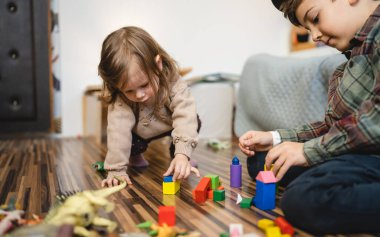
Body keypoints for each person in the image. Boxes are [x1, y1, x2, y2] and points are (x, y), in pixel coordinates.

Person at [239, 0, 380, 234]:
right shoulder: (349, 64)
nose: (314, 35)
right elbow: (333, 127)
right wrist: (275, 138)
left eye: (315, 18)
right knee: (262, 160)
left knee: (304, 199)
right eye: (308, 28)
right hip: (357, 153)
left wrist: (308, 152)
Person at [98, 26, 200, 188]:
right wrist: (116, 169)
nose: (139, 95)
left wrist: (182, 154)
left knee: (193, 120)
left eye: (144, 85)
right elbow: (118, 131)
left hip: (169, 123)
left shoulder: (174, 82)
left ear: (158, 64)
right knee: (129, 142)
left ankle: (178, 156)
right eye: (129, 90)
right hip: (139, 131)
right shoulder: (120, 100)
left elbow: (185, 115)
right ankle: (135, 156)